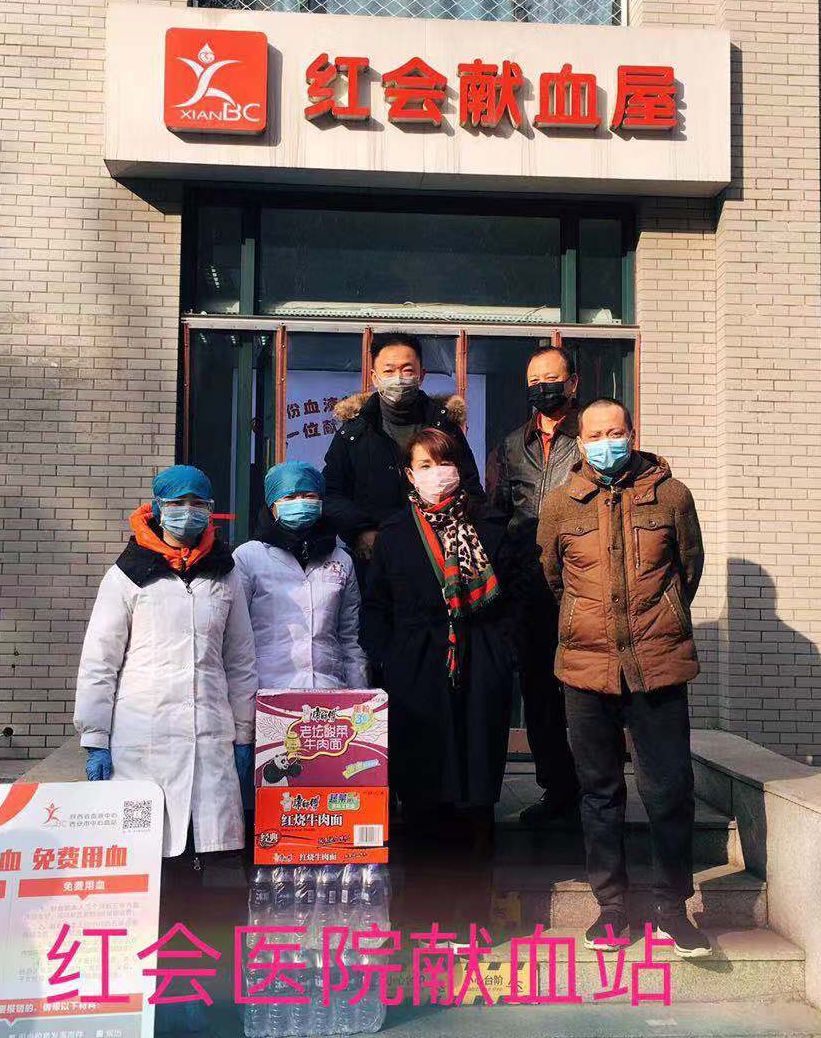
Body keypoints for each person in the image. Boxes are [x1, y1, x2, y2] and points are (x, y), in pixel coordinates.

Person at [536, 397, 711, 958]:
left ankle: (672, 907)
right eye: (594, 435)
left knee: (669, 789)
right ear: (580, 441)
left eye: (615, 432)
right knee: (599, 792)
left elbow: (688, 569)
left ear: (631, 434)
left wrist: (660, 618)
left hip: (658, 664)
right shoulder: (560, 503)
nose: (605, 443)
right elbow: (553, 576)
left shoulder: (671, 495)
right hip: (586, 670)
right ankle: (611, 908)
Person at [360, 426, 516, 935]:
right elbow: (376, 607)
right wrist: (391, 659)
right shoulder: (394, 533)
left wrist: (501, 656)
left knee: (476, 795)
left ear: (460, 467)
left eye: (443, 462)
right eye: (424, 465)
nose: (435, 474)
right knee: (423, 793)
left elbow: (517, 601)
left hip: (480, 666)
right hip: (416, 673)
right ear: (409, 475)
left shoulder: (490, 526)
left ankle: (472, 918)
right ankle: (424, 917)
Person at [73, 464, 257, 859]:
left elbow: (241, 660)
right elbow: (99, 662)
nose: (188, 511)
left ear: (210, 510)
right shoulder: (127, 575)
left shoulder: (225, 575)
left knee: (206, 855)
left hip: (210, 734)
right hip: (143, 735)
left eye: (198, 503)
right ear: (158, 508)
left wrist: (244, 733)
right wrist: (94, 737)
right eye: (177, 502)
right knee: (144, 852)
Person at [486, 345, 581, 825]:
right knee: (539, 693)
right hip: (527, 589)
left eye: (552, 378)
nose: (543, 388)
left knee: (584, 694)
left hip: (582, 585)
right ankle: (557, 791)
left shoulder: (589, 439)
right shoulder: (509, 446)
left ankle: (595, 793)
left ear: (572, 384)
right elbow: (496, 515)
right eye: (534, 381)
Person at [324, 332, 484, 570]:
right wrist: (360, 530)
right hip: (375, 558)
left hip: (441, 556)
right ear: (374, 377)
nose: (398, 379)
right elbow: (332, 493)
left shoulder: (444, 427)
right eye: (389, 371)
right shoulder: (354, 433)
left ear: (421, 375)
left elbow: (470, 487)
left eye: (407, 370)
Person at [233, 459, 369, 691]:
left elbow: (350, 638)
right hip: (268, 690)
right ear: (272, 505)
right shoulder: (248, 557)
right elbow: (236, 638)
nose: (300, 503)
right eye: (289, 497)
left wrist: (360, 694)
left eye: (309, 496)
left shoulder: (340, 558)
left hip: (329, 690)